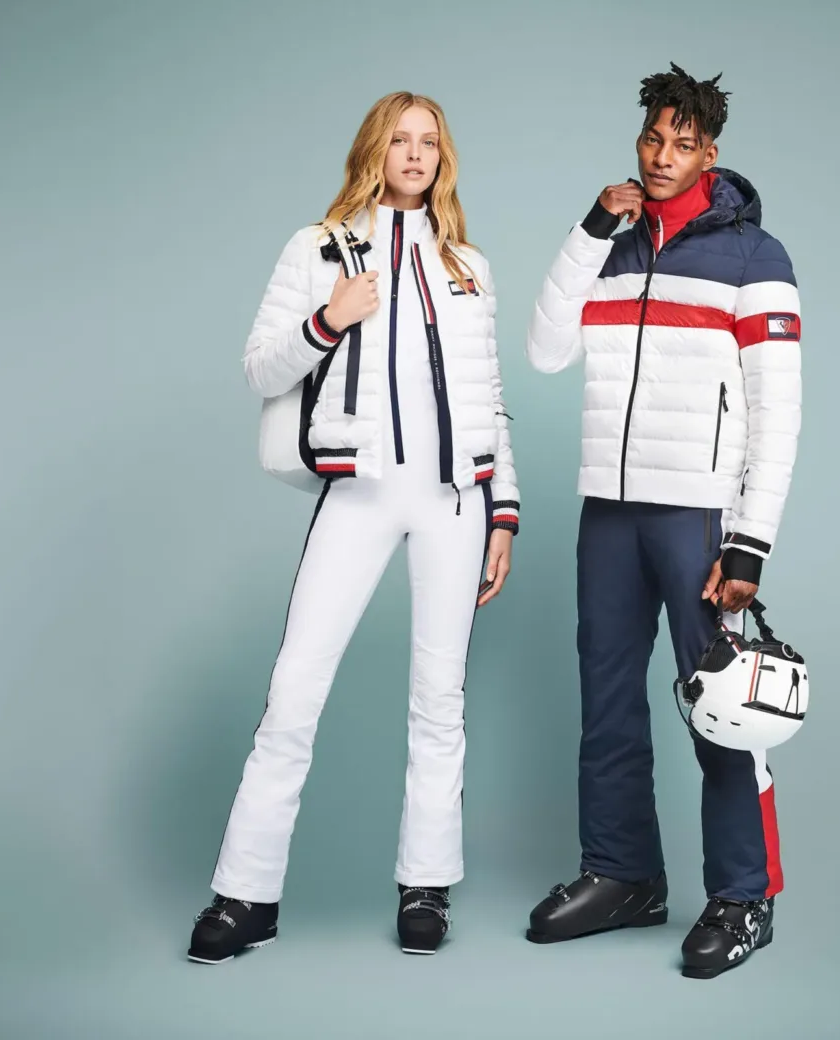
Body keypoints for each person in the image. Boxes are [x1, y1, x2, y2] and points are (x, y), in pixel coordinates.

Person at [188, 92, 520, 963]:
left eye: (428, 142)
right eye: (399, 139)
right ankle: (245, 897)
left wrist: (503, 514)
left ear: (442, 157)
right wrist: (328, 318)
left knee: (440, 698)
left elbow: (489, 401)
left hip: (454, 501)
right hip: (360, 492)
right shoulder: (319, 248)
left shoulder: (469, 266)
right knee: (294, 691)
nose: (414, 154)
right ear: (374, 149)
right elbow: (261, 367)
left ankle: (426, 887)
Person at [524, 61, 801, 979]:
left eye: (683, 143)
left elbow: (778, 414)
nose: (662, 155)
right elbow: (545, 349)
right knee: (606, 697)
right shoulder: (611, 246)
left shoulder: (756, 259)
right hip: (608, 508)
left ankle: (745, 896)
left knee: (721, 707)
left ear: (709, 153)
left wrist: (748, 543)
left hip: (696, 515)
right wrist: (588, 230)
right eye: (653, 137)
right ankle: (623, 875)